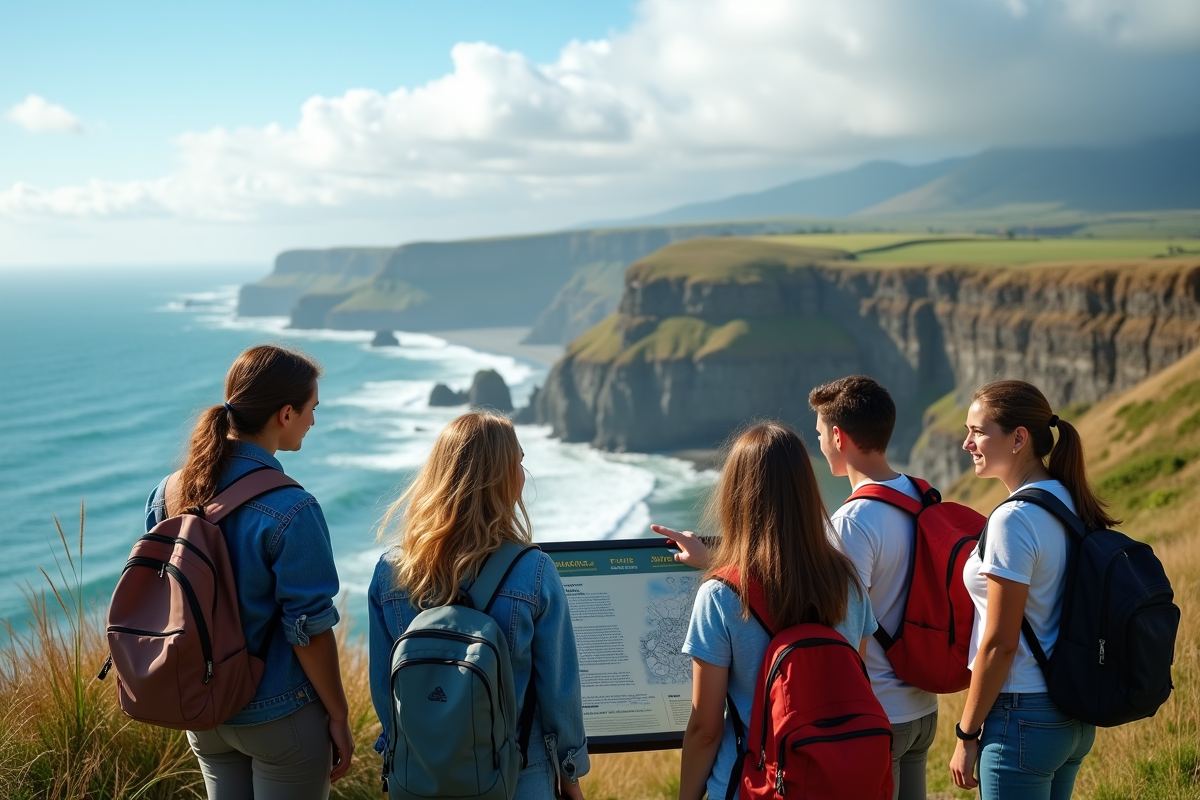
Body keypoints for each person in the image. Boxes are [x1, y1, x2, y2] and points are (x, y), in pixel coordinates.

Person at [147, 344, 353, 798]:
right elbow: (310, 631)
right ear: (285, 414)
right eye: (311, 409)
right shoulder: (292, 507)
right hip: (280, 715)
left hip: (203, 710)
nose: (314, 421)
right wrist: (338, 715)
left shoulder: (169, 491)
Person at [368, 411, 590, 800]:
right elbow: (559, 691)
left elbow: (386, 691)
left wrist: (398, 758)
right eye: (518, 462)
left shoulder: (391, 571)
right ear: (500, 479)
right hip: (519, 773)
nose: (524, 472)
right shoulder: (532, 570)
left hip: (421, 774)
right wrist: (570, 773)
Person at [662, 421, 877, 800]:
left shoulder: (719, 597)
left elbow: (706, 729)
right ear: (806, 491)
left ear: (734, 495)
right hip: (836, 781)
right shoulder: (848, 583)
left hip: (756, 785)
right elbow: (855, 685)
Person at [950, 380, 1110, 798]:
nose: (967, 443)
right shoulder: (1067, 499)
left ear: (1019, 438)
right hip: (1070, 714)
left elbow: (1001, 643)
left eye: (978, 431)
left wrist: (966, 733)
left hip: (1022, 715)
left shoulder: (1014, 519)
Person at [809, 376, 940, 800]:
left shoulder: (851, 522)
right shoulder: (921, 496)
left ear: (837, 436)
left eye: (819, 435)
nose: (820, 446)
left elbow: (850, 633)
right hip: (923, 707)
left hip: (879, 712)